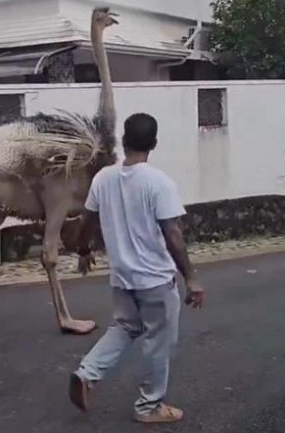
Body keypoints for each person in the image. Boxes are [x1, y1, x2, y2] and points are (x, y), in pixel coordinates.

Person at [69, 113, 204, 423]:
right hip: (155, 280)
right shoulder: (159, 182)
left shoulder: (103, 178)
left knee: (125, 327)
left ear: (123, 140)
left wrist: (83, 250)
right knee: (158, 341)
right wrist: (192, 278)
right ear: (153, 143)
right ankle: (149, 406)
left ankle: (87, 373)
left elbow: (86, 219)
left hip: (122, 278)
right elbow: (173, 234)